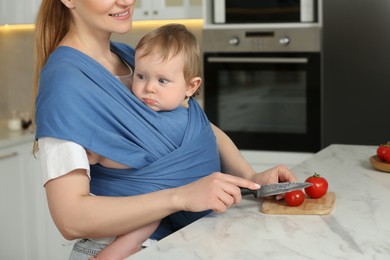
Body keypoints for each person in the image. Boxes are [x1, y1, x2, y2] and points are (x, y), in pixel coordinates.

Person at [32, 1, 297, 259]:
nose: (127, 1)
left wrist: (251, 177)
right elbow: (71, 219)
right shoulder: (65, 83)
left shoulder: (132, 60)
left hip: (182, 242)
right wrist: (181, 196)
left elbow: (202, 129)